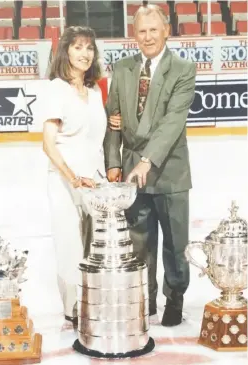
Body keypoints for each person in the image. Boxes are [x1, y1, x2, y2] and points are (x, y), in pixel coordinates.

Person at [104, 4, 196, 327]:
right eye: (141, 31)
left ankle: (175, 298)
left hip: (169, 170)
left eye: (153, 30)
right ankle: (146, 297)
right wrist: (114, 162)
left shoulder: (183, 69)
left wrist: (147, 160)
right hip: (132, 175)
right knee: (139, 243)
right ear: (134, 34)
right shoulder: (123, 69)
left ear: (166, 30)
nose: (147, 37)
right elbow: (112, 121)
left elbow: (173, 122)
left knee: (175, 242)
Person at [42, 26, 106, 329]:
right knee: (70, 246)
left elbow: (97, 136)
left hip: (94, 181)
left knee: (95, 247)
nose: (85, 53)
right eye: (78, 47)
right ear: (66, 51)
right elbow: (49, 144)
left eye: (89, 48)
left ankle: (93, 300)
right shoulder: (57, 88)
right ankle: (72, 309)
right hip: (65, 180)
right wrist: (72, 177)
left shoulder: (94, 92)